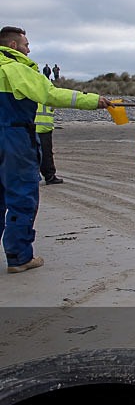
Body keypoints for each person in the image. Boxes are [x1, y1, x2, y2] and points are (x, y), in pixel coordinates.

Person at [0, 26, 111, 274]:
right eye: (26, 45)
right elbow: (50, 94)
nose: (29, 50)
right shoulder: (16, 69)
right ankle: (19, 257)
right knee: (21, 197)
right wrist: (93, 100)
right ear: (14, 46)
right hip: (14, 137)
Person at [35, 103, 62, 184]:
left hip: (32, 127)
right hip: (43, 128)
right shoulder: (44, 96)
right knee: (46, 153)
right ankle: (49, 176)